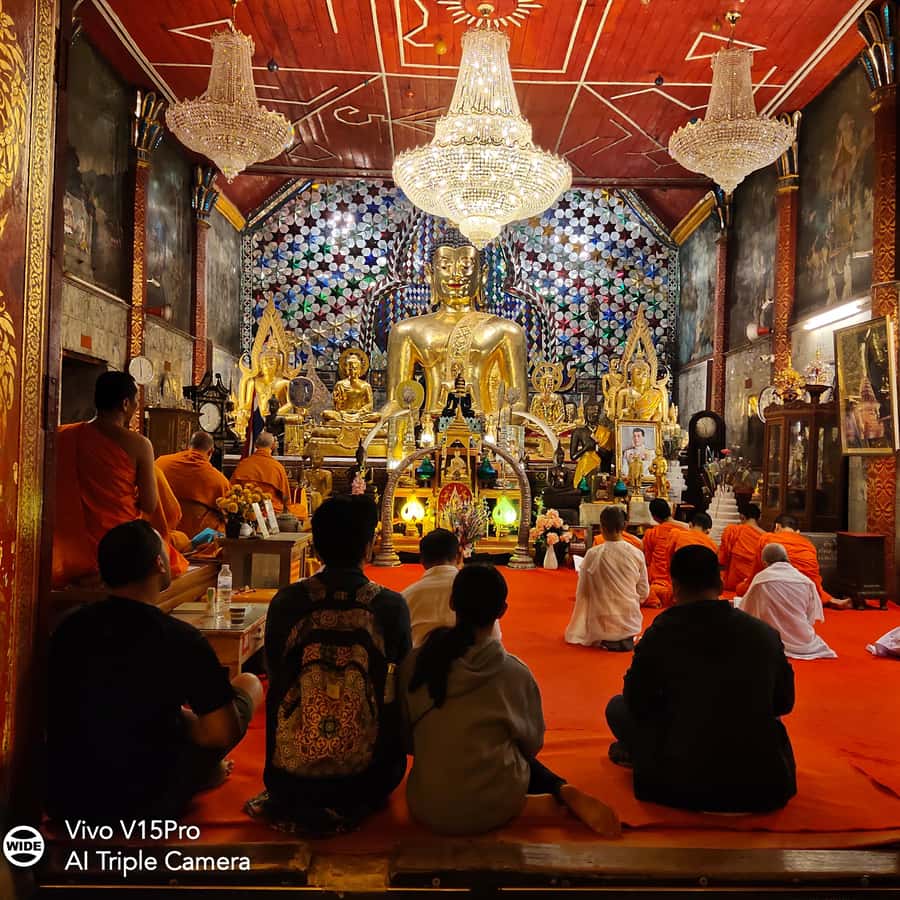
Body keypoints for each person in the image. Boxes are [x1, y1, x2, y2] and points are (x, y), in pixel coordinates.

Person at [46, 521, 263, 821]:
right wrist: (184, 723)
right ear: (159, 563)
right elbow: (221, 732)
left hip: (67, 797)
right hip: (147, 799)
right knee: (250, 684)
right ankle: (201, 774)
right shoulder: (181, 638)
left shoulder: (67, 627)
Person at [402, 564, 620, 837]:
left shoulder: (415, 664)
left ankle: (549, 794)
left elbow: (406, 739)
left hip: (427, 807)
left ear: (452, 603)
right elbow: (531, 745)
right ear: (502, 611)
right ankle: (556, 790)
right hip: (496, 807)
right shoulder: (514, 673)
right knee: (509, 746)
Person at [252, 495, 411, 834]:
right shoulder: (390, 606)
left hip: (288, 779)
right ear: (368, 547)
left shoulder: (287, 602)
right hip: (370, 781)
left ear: (317, 548)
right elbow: (401, 682)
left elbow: (275, 673)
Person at [605, 545, 796, 813]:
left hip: (680, 782)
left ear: (676, 587)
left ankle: (640, 753)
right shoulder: (763, 633)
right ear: (719, 584)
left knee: (616, 707)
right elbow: (783, 703)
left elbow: (636, 701)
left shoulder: (662, 632)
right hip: (760, 784)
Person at [52, 371, 159, 588]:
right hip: (121, 546)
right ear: (125, 404)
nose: (137, 406)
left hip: (69, 550)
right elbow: (150, 503)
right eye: (137, 401)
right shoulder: (139, 444)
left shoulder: (63, 435)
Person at [566, 506, 648, 651]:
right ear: (625, 526)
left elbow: (582, 593)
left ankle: (609, 636)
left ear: (601, 526)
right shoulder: (636, 553)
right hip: (630, 620)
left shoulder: (593, 554)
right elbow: (643, 592)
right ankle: (622, 635)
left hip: (600, 622)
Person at [403, 528, 500, 648]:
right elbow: (494, 640)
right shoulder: (476, 590)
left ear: (422, 560)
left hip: (422, 664)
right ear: (459, 556)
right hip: (475, 663)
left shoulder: (406, 597)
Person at [739, 544, 837, 660]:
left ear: (765, 563)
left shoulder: (761, 579)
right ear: (787, 558)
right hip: (803, 640)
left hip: (769, 640)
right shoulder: (805, 581)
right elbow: (810, 617)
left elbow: (746, 610)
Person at [738, 514, 850, 609]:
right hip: (804, 595)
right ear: (797, 532)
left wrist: (745, 585)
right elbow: (813, 579)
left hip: (777, 592)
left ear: (777, 527)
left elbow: (756, 572)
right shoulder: (809, 545)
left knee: (743, 587)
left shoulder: (767, 538)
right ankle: (830, 599)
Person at [156, 431, 231, 538]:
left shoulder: (161, 463)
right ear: (211, 452)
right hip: (194, 537)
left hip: (161, 530)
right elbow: (227, 513)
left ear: (189, 446)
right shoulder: (219, 480)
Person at [230, 431, 293, 514]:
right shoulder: (277, 467)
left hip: (246, 509)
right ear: (273, 446)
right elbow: (286, 497)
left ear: (256, 445)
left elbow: (232, 489)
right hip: (271, 511)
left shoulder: (243, 464)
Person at [641, 498, 686, 608]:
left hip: (657, 586)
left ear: (654, 516)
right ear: (671, 510)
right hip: (679, 586)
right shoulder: (685, 532)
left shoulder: (651, 533)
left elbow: (646, 560)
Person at [718, 504, 764, 592]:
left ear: (742, 517)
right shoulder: (766, 537)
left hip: (733, 584)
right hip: (755, 584)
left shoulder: (733, 531)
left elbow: (721, 559)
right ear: (759, 518)